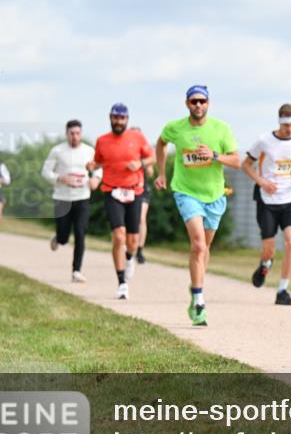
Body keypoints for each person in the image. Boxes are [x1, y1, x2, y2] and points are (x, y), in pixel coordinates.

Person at [155, 85, 241, 326]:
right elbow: (160, 144)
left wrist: (213, 155)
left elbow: (236, 161)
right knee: (198, 244)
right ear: (187, 104)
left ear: (208, 103)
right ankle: (199, 299)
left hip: (214, 195)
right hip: (185, 192)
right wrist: (161, 173)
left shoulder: (221, 129)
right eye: (194, 101)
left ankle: (196, 283)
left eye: (202, 101)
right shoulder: (176, 128)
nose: (198, 105)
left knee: (204, 249)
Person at [88, 104, 154, 300]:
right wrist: (92, 165)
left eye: (122, 118)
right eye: (115, 118)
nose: (119, 121)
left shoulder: (137, 138)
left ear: (127, 119)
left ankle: (130, 257)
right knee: (118, 236)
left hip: (134, 191)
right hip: (111, 190)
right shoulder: (102, 140)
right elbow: (98, 161)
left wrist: (140, 164)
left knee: (132, 241)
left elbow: (152, 158)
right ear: (110, 118)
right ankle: (122, 282)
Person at [243, 103, 291, 306]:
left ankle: (282, 290)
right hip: (267, 200)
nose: (290, 130)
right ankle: (265, 264)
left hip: (290, 197)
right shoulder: (264, 141)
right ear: (280, 122)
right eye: (287, 126)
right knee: (269, 247)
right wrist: (262, 182)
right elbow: (246, 165)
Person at [42, 120, 101, 282]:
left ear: (81, 134)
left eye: (77, 133)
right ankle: (58, 237)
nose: (75, 136)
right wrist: (60, 178)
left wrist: (96, 179)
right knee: (64, 237)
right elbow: (45, 172)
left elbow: (99, 168)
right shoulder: (57, 151)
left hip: (82, 197)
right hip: (62, 198)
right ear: (66, 134)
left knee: (80, 234)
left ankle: (76, 271)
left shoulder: (89, 151)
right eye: (71, 133)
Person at [131, 127, 154, 265]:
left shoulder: (145, 152)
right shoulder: (125, 150)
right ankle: (129, 245)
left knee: (141, 218)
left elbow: (151, 172)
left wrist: (142, 163)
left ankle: (140, 250)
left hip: (142, 188)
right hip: (127, 188)